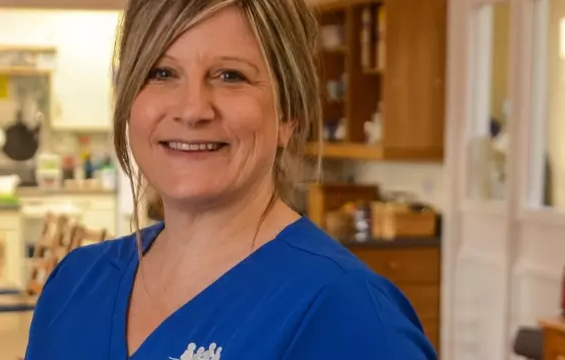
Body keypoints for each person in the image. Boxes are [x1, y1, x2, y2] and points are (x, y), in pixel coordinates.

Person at [24, 0, 438, 359]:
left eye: (230, 76)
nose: (192, 109)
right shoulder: (76, 285)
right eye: (161, 73)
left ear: (288, 117)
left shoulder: (346, 312)